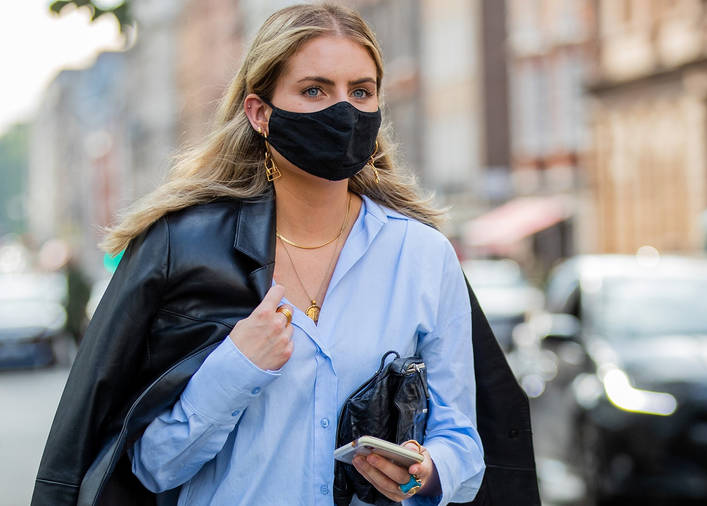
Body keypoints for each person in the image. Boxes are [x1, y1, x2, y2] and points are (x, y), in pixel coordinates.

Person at [32, 4, 539, 506]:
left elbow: (463, 441)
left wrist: (426, 472)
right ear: (259, 113)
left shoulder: (423, 256)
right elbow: (151, 467)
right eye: (315, 90)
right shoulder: (183, 250)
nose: (344, 111)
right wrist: (236, 368)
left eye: (361, 91)